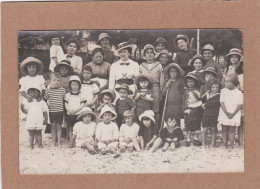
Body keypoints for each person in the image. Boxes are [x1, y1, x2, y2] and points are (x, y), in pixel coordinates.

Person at [218, 73, 243, 150]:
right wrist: (226, 113)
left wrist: (233, 113)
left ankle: (231, 145)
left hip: (234, 113)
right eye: (225, 82)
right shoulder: (223, 91)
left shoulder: (239, 93)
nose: (226, 83)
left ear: (234, 83)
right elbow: (221, 102)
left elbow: (239, 105)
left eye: (228, 82)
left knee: (232, 130)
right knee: (224, 129)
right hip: (224, 112)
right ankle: (225, 145)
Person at [140, 44, 164, 123]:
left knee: (155, 108)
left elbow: (161, 78)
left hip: (155, 87)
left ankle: (155, 128)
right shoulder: (141, 66)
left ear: (154, 55)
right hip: (144, 89)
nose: (149, 54)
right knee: (145, 106)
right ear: (144, 55)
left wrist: (161, 91)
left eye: (151, 52)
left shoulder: (158, 65)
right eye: (147, 53)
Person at [43, 72, 66, 147]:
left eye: (58, 80)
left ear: (60, 81)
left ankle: (59, 141)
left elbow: (65, 100)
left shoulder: (62, 90)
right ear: (50, 81)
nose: (56, 82)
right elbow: (44, 101)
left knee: (59, 126)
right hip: (52, 112)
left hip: (60, 111)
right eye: (54, 80)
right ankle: (53, 142)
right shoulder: (48, 91)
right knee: (53, 127)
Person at [183, 72, 202, 147]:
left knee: (196, 125)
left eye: (192, 81)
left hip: (197, 110)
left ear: (195, 82)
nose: (190, 83)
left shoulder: (198, 90)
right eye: (188, 82)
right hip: (189, 109)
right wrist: (185, 109)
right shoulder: (185, 91)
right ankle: (188, 139)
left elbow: (200, 100)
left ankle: (196, 139)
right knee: (188, 125)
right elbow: (184, 101)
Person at [201, 79, 221, 148]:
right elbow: (201, 99)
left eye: (216, 87)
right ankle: (203, 143)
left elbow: (214, 104)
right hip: (206, 114)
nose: (215, 89)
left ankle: (212, 144)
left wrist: (205, 105)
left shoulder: (218, 95)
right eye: (213, 87)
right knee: (205, 129)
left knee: (213, 129)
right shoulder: (207, 94)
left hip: (214, 114)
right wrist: (205, 95)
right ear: (210, 87)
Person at [65, 75, 86, 140]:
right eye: (73, 84)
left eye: (76, 84)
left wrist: (76, 110)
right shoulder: (68, 94)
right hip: (70, 113)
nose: (74, 86)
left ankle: (77, 139)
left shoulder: (81, 94)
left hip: (78, 113)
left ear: (79, 86)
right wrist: (69, 110)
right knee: (70, 127)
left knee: (78, 127)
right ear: (70, 85)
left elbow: (82, 104)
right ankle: (71, 140)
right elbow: (66, 104)